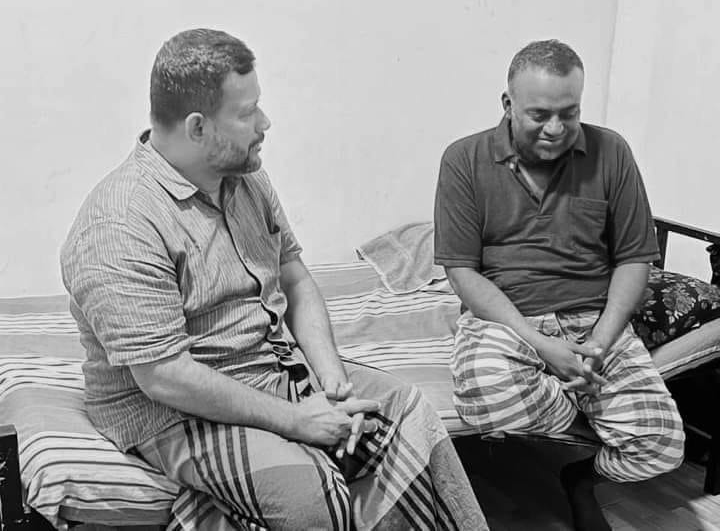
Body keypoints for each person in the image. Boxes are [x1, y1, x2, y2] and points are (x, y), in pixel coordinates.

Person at [61, 28, 486, 530]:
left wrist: (332, 379)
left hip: (272, 366)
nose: (265, 123)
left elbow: (295, 279)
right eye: (247, 113)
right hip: (173, 409)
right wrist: (297, 421)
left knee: (409, 413)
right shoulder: (120, 222)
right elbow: (164, 376)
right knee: (311, 492)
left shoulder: (247, 178)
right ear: (197, 127)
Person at [434, 39, 684, 531]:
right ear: (507, 104)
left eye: (569, 114)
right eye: (539, 115)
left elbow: (635, 257)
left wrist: (599, 344)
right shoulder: (464, 158)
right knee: (488, 398)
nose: (556, 129)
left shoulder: (611, 151)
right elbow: (463, 272)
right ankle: (579, 408)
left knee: (663, 447)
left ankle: (581, 475)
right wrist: (542, 346)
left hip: (594, 321)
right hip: (508, 319)